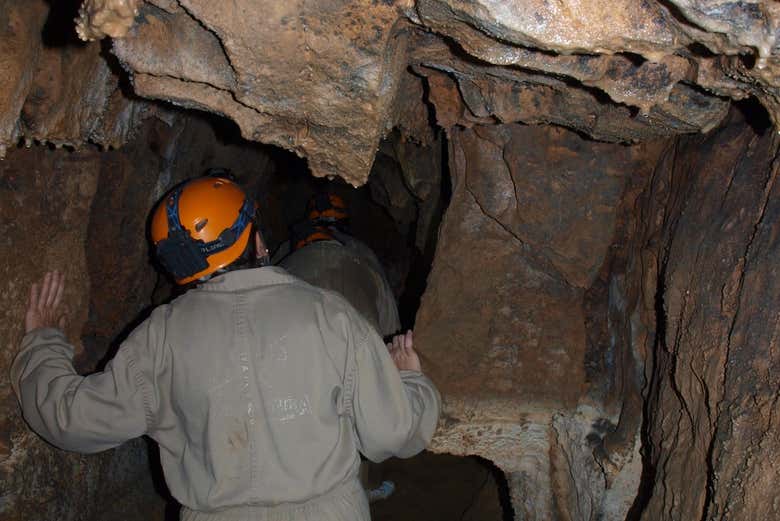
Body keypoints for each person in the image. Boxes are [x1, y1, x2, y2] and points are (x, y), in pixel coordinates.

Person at [11, 175, 440, 521]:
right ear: (256, 242)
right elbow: (392, 434)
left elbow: (71, 419)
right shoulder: (329, 316)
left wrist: (42, 343)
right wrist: (410, 382)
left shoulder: (161, 337)